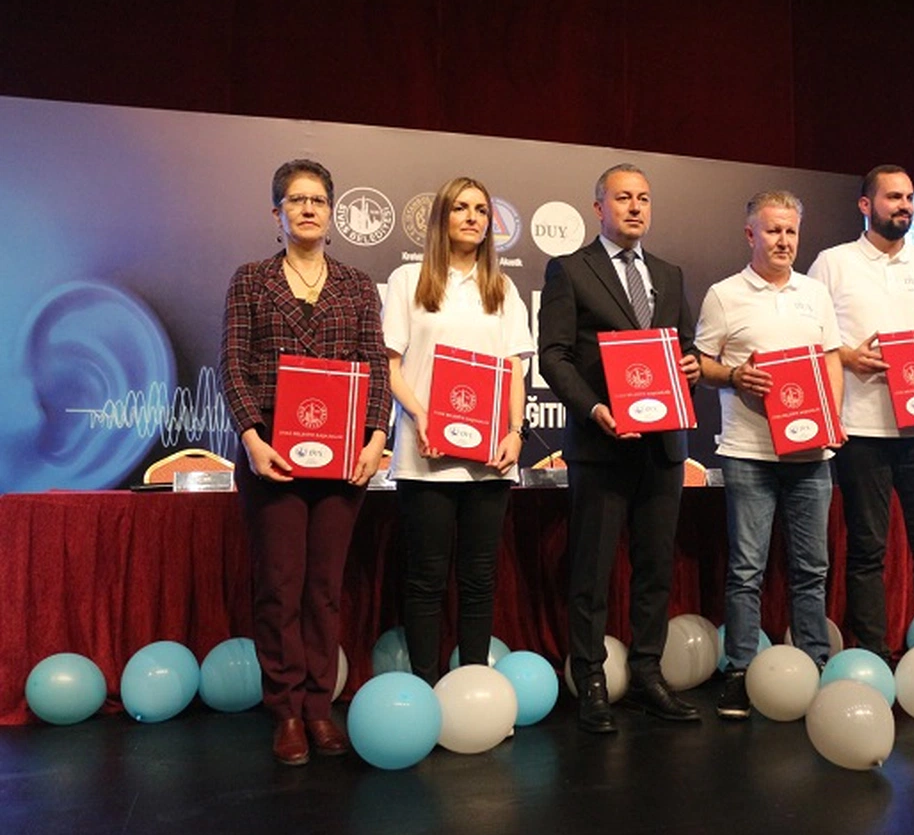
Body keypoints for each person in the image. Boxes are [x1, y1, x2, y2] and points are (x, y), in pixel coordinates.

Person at [220, 159, 391, 765]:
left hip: (344, 457)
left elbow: (376, 368)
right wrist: (252, 439)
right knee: (280, 586)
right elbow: (233, 365)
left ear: (332, 212)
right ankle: (287, 711)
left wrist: (375, 438)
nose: (309, 208)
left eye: (318, 200)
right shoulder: (251, 280)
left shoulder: (358, 285)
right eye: (296, 200)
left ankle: (320, 707)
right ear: (278, 213)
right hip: (274, 454)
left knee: (323, 589)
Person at [538, 163, 702, 733]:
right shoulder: (569, 270)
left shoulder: (670, 274)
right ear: (598, 208)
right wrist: (594, 409)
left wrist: (691, 368)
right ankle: (590, 679)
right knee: (592, 570)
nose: (635, 207)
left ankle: (648, 675)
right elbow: (554, 355)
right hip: (602, 445)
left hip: (662, 446)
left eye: (644, 199)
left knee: (655, 569)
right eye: (623, 198)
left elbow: (685, 349)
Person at [808, 164, 914, 663]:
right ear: (866, 205)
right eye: (893, 197)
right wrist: (847, 356)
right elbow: (811, 341)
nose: (904, 206)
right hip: (861, 431)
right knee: (866, 550)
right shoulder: (832, 263)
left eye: (909, 197)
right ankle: (873, 656)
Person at [694, 191, 843, 719]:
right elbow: (700, 365)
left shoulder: (815, 294)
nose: (784, 241)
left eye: (791, 231)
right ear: (750, 235)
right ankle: (739, 671)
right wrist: (735, 375)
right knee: (745, 570)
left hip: (812, 454)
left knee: (812, 569)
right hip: (748, 453)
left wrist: (833, 420)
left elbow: (830, 361)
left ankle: (816, 666)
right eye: (773, 230)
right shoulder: (723, 295)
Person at [381, 176, 534, 684]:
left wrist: (516, 432)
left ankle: (472, 685)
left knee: (479, 580)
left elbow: (514, 368)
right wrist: (421, 414)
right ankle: (425, 690)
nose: (472, 217)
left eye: (482, 210)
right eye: (461, 208)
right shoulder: (409, 279)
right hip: (424, 455)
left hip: (490, 459)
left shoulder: (502, 288)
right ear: (441, 217)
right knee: (425, 579)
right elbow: (390, 367)